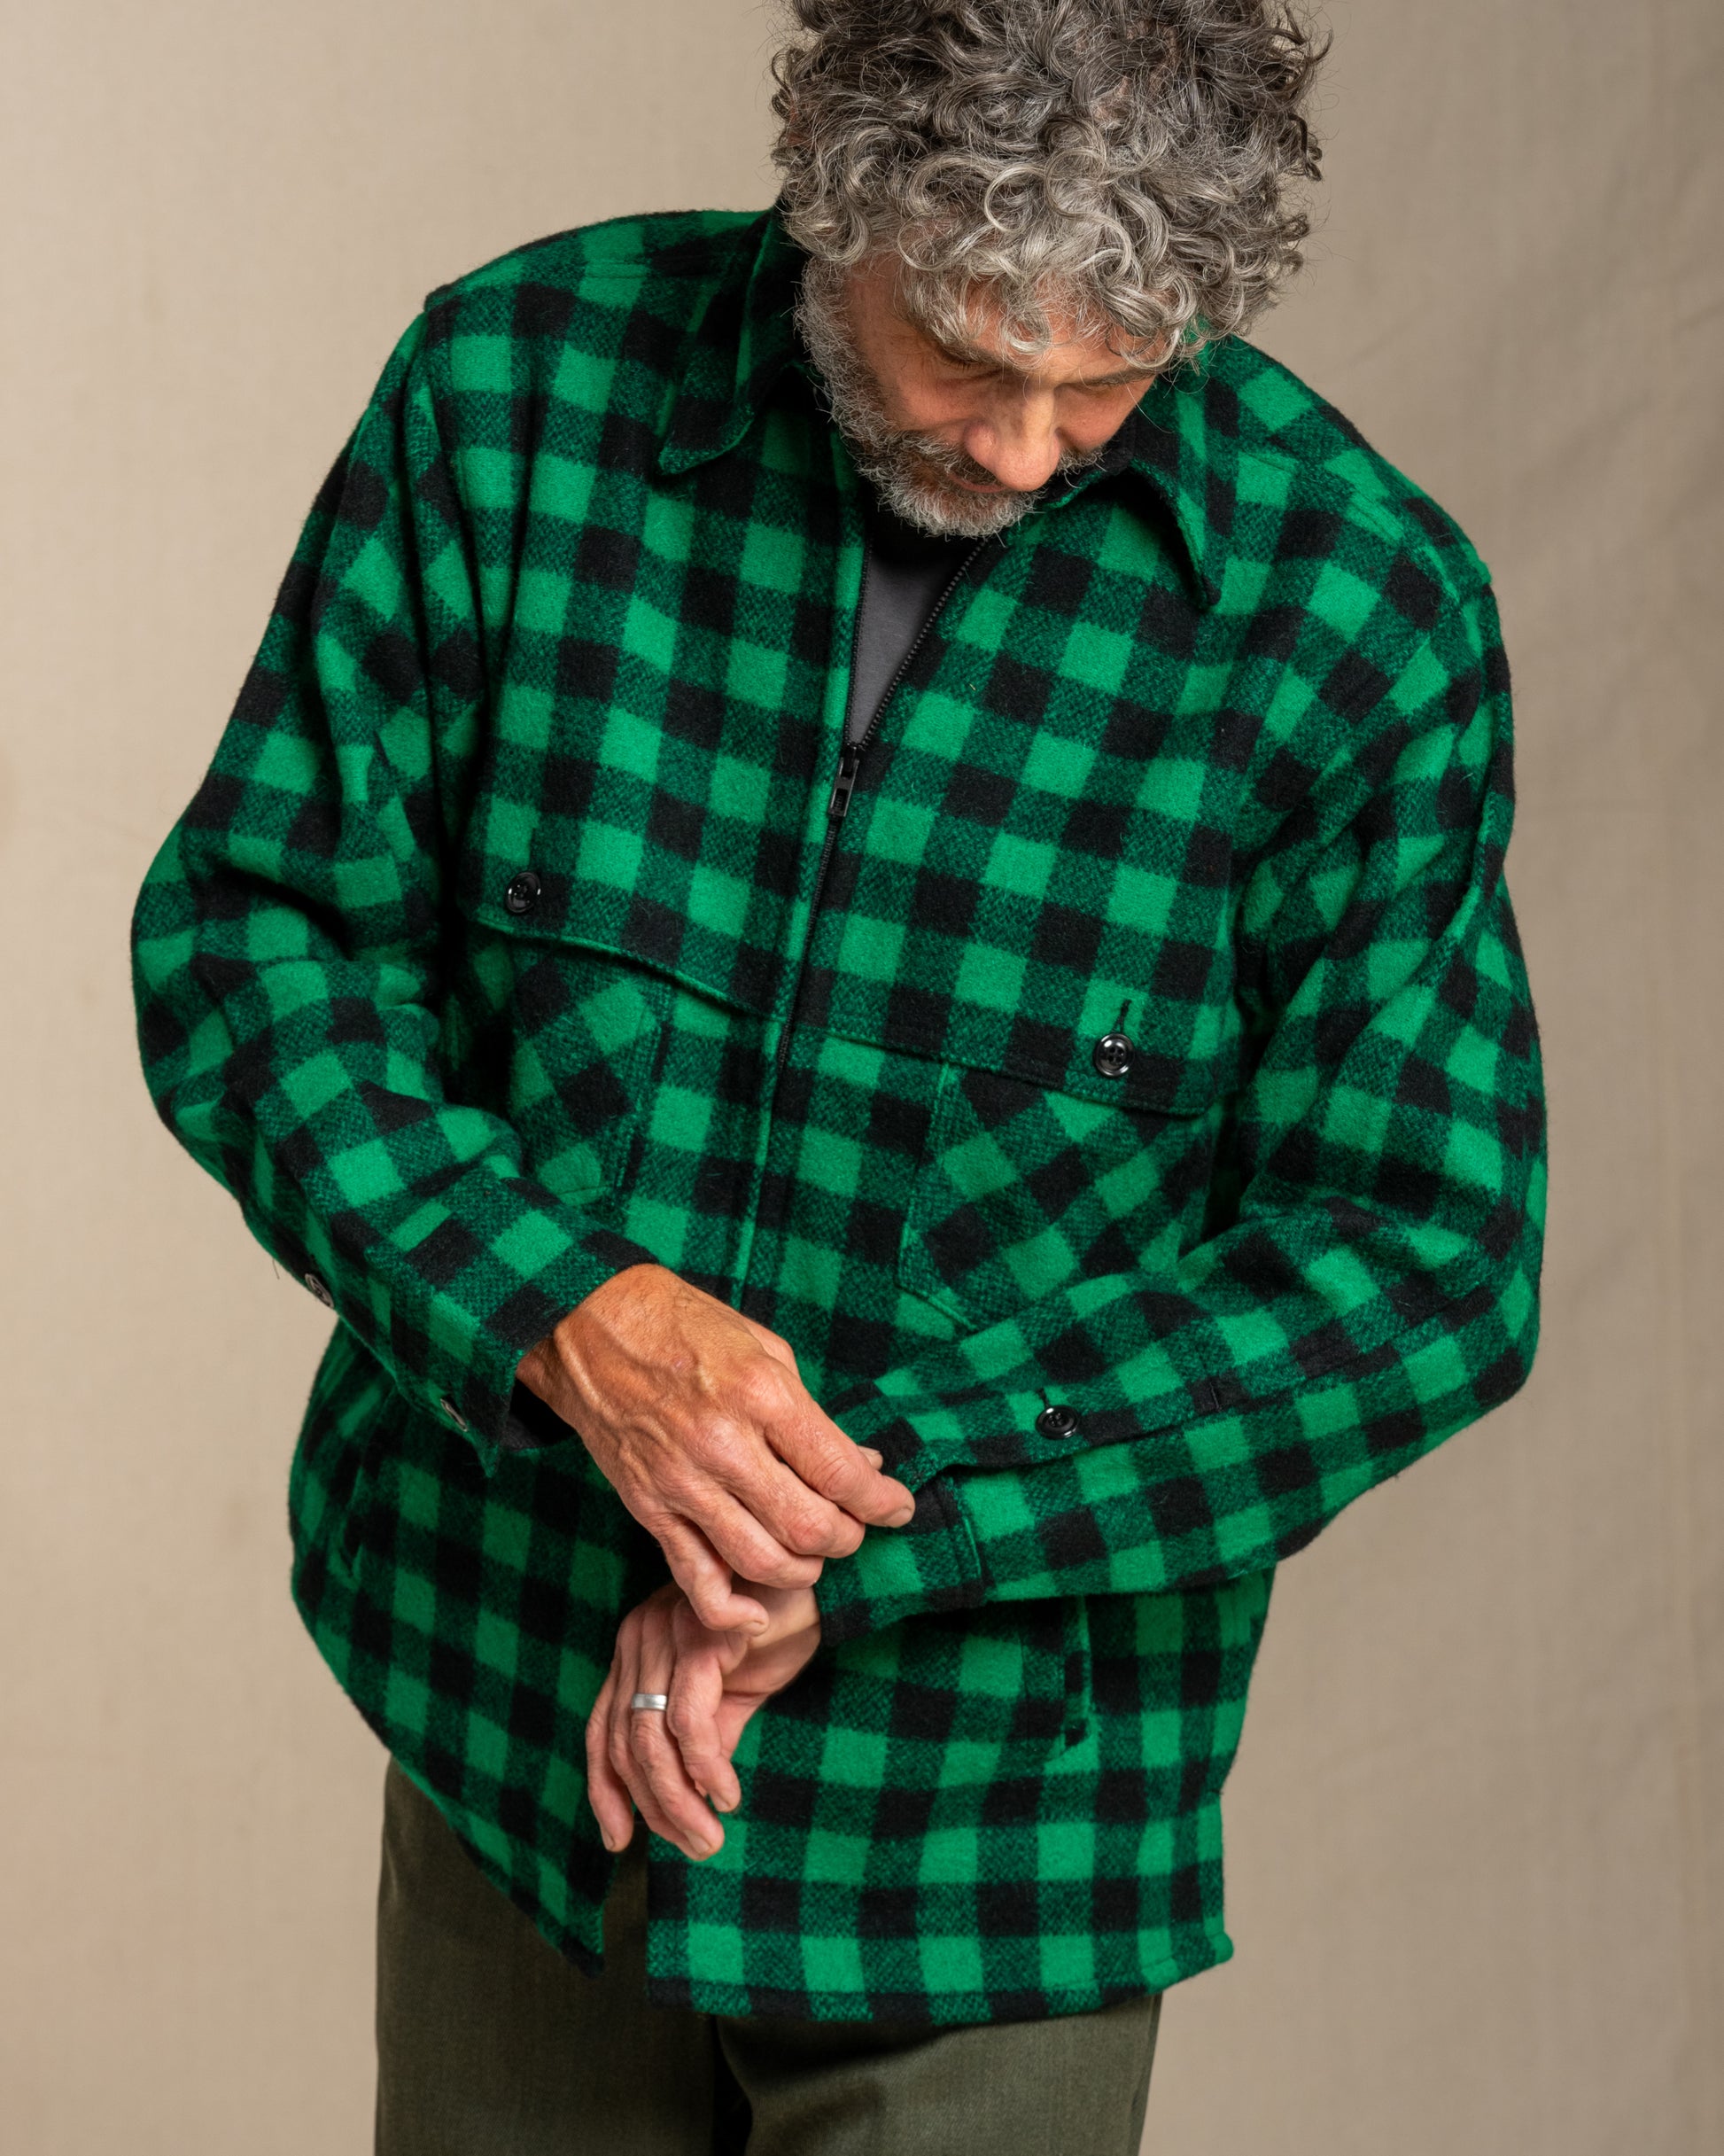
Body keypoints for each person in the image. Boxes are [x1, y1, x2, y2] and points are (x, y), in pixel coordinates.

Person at [130, 2, 1547, 2148]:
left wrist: (862, 1510)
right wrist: (565, 1313)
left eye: (1114, 380)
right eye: (965, 352)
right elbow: (257, 934)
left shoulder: (1356, 611)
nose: (1028, 451)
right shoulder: (510, 396)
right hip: (504, 1717)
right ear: (832, 205)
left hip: (984, 1833)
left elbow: (1420, 1253)